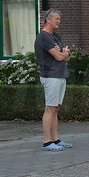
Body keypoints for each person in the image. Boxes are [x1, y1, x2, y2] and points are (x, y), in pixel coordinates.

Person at [34, 9, 72, 151]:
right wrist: (64, 52)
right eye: (57, 19)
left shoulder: (55, 36)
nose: (59, 21)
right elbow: (59, 56)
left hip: (60, 75)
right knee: (50, 108)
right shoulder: (43, 37)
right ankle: (47, 141)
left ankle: (55, 139)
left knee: (55, 108)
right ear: (48, 20)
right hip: (50, 76)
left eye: (59, 19)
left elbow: (66, 57)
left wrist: (64, 53)